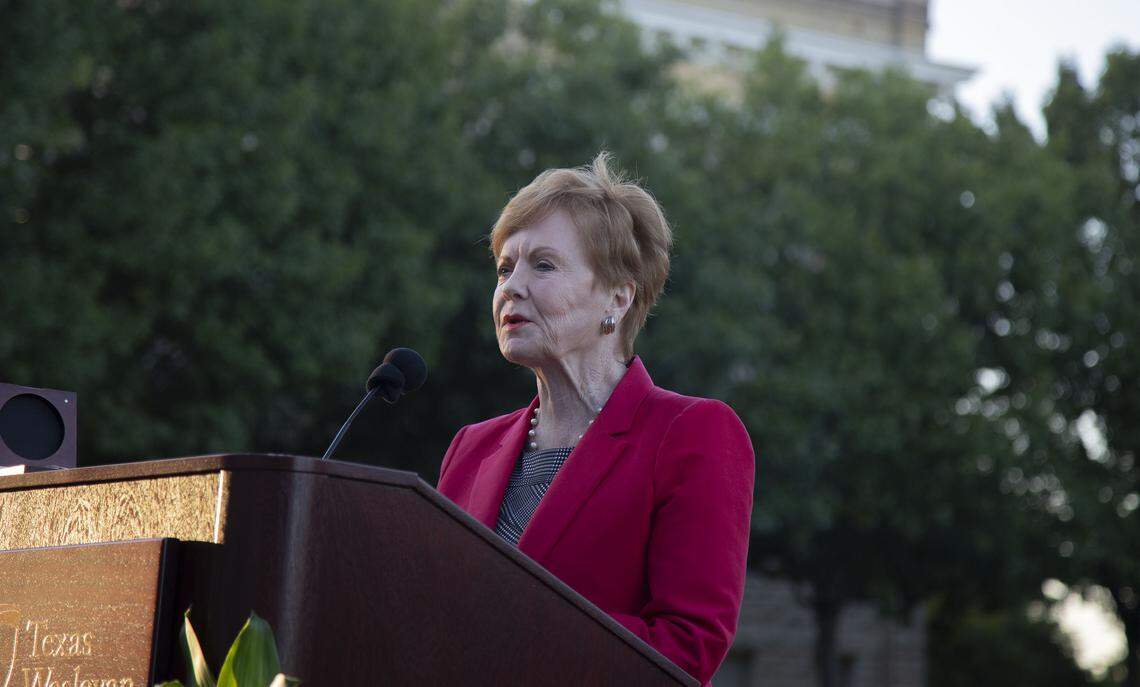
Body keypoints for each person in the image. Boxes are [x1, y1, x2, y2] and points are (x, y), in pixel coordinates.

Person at [436, 153, 755, 685]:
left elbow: (686, 645)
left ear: (618, 296)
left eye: (543, 265)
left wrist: (518, 632)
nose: (511, 287)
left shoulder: (692, 435)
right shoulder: (470, 447)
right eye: (504, 268)